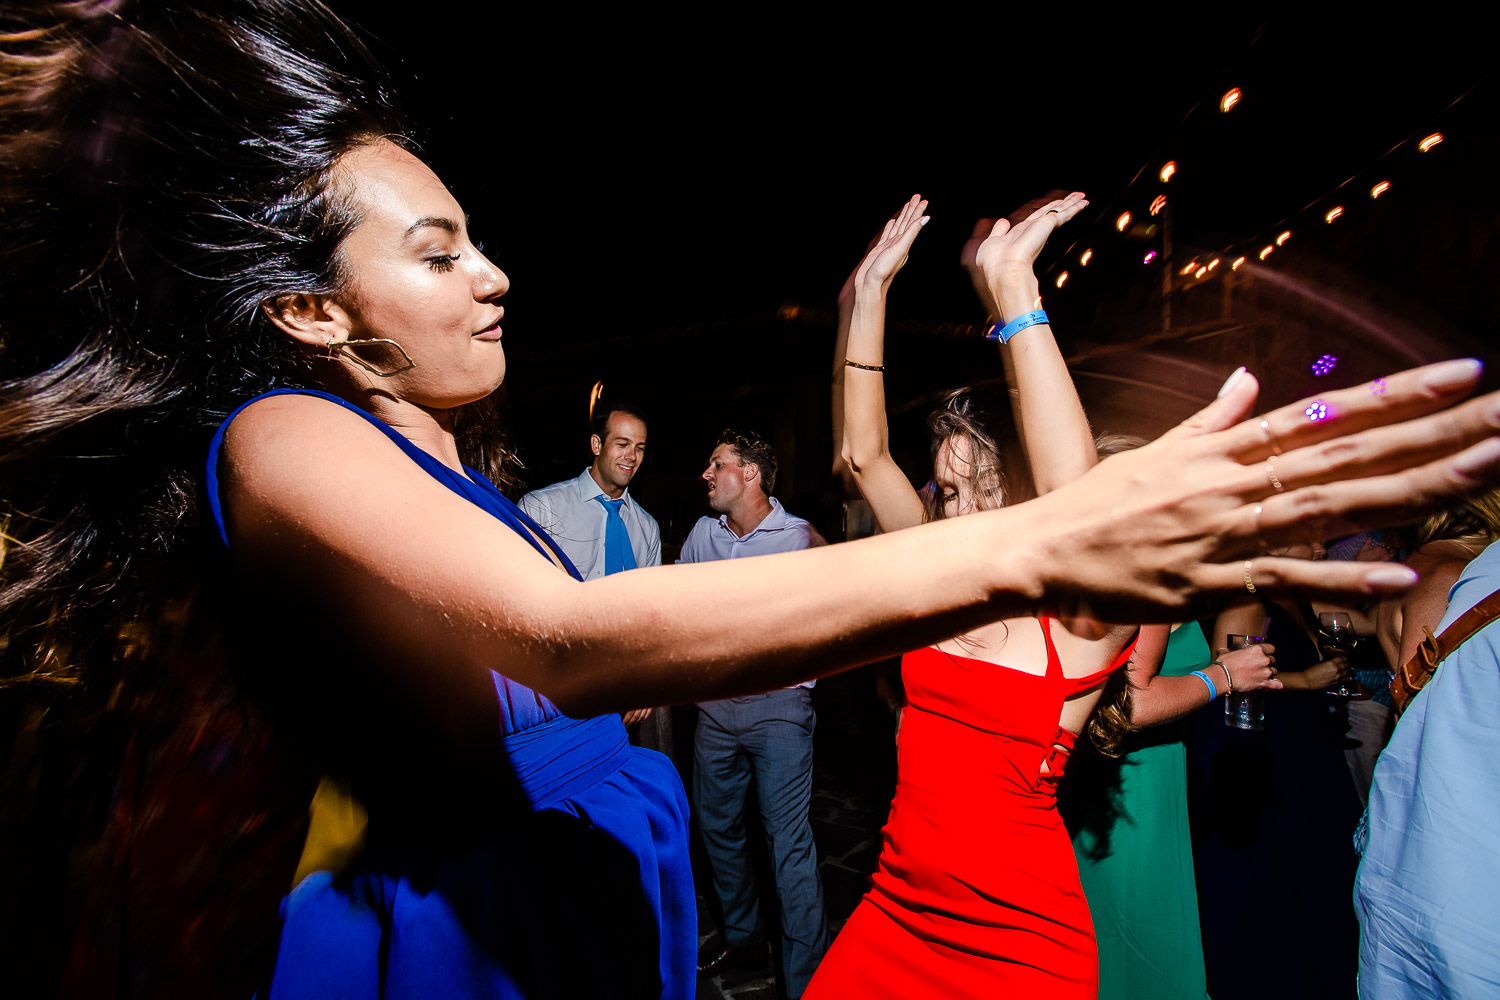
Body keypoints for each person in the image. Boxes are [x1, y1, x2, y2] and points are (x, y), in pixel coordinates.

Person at [5, 3, 1500, 996]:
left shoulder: (442, 461)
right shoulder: (279, 432)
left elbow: (745, 624)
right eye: (439, 252)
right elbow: (573, 635)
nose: (494, 273)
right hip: (453, 949)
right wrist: (1047, 534)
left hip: (570, 907)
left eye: (476, 244)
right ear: (315, 317)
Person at [806, 193, 1147, 999]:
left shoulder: (1086, 616)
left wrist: (1015, 297)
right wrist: (870, 295)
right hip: (895, 907)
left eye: (980, 486)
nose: (956, 510)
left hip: (1020, 941)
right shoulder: (943, 568)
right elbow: (862, 458)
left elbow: (1081, 506)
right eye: (948, 491)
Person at [1063, 434, 1284, 1000]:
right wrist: (1224, 677)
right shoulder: (1144, 567)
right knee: (1140, 946)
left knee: (1102, 945)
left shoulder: (1095, 561)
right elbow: (1129, 702)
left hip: (1109, 779)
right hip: (1134, 789)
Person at [681, 430, 830, 998]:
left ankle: (806, 981)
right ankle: (745, 938)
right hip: (716, 708)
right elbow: (681, 602)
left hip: (780, 708)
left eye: (715, 464)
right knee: (716, 826)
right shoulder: (702, 534)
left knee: (786, 843)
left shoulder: (799, 539)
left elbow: (836, 614)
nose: (706, 474)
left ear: (750, 474)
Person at [1192, 547, 1363, 1000]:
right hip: (1266, 748)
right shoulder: (1244, 596)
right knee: (1280, 873)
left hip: (1305, 742)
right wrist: (1309, 679)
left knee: (1319, 866)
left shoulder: (1292, 592)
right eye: (1308, 536)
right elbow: (1228, 680)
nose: (1321, 546)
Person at [1356, 538, 1500, 999]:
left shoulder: (1437, 568)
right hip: (1450, 832)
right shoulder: (1446, 573)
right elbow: (1425, 705)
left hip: (1421, 836)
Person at [520, 402, 669, 752]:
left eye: (640, 448)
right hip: (562, 681)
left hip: (628, 679)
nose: (632, 456)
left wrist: (643, 683)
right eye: (622, 443)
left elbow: (651, 613)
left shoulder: (646, 527)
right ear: (596, 445)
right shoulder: (543, 508)